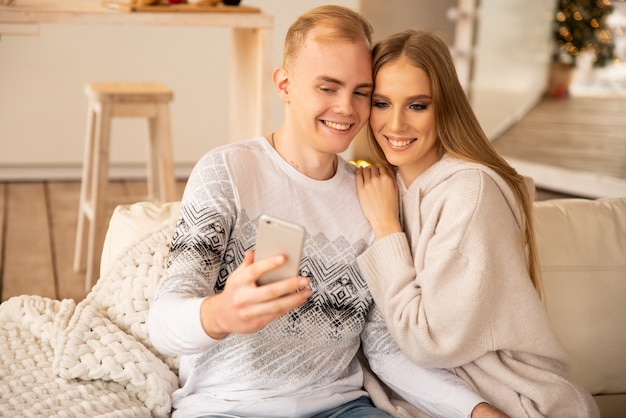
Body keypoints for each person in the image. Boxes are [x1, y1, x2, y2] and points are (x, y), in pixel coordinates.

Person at [148, 6, 506, 418]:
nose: (346, 109)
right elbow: (162, 323)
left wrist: (475, 410)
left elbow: (385, 348)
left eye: (361, 92)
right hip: (227, 407)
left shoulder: (372, 194)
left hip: (341, 409)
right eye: (328, 88)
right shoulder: (227, 172)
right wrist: (219, 314)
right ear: (284, 84)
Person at [354, 29, 600, 418]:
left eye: (417, 105)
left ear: (446, 107)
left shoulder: (469, 193)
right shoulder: (385, 185)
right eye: (382, 103)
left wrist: (386, 227)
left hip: (513, 403)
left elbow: (427, 342)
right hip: (425, 397)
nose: (395, 124)